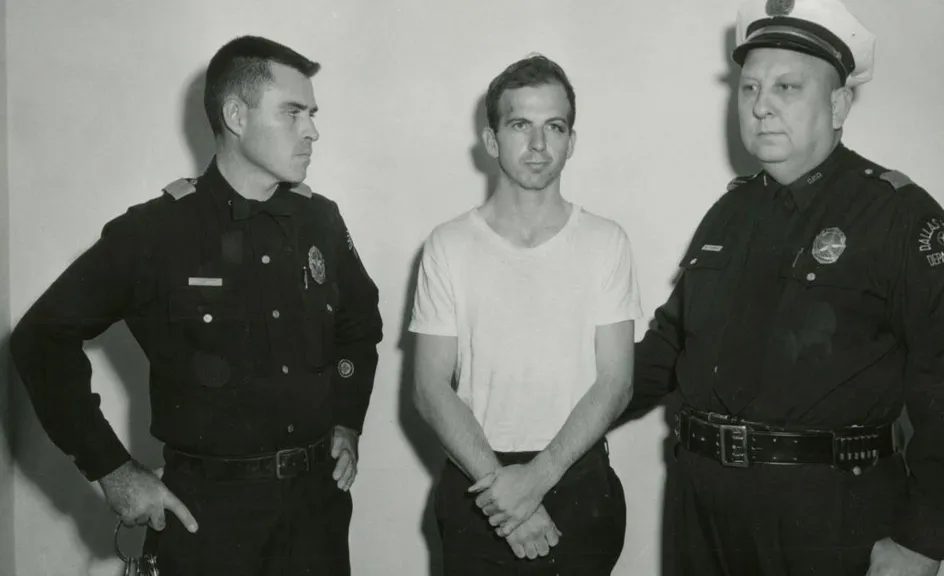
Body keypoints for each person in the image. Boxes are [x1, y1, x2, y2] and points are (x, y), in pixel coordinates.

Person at [630, 1, 944, 575]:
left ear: (838, 105)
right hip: (702, 512)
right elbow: (666, 350)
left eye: (787, 87)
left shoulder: (899, 216)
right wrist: (565, 421)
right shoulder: (728, 214)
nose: (761, 106)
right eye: (750, 88)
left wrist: (921, 543)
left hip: (827, 517)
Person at [10, 35, 382, 575]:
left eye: (312, 114)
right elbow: (41, 337)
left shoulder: (320, 220)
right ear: (236, 116)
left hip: (315, 514)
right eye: (292, 112)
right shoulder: (157, 231)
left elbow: (359, 325)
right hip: (208, 520)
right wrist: (112, 469)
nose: (312, 130)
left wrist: (347, 419)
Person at [410, 54, 641, 575]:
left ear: (571, 141)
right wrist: (505, 495)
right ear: (491, 140)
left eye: (554, 127)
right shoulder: (449, 244)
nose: (538, 144)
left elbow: (617, 382)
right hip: (478, 480)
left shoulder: (606, 241)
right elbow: (429, 387)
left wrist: (536, 480)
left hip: (576, 478)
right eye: (520, 125)